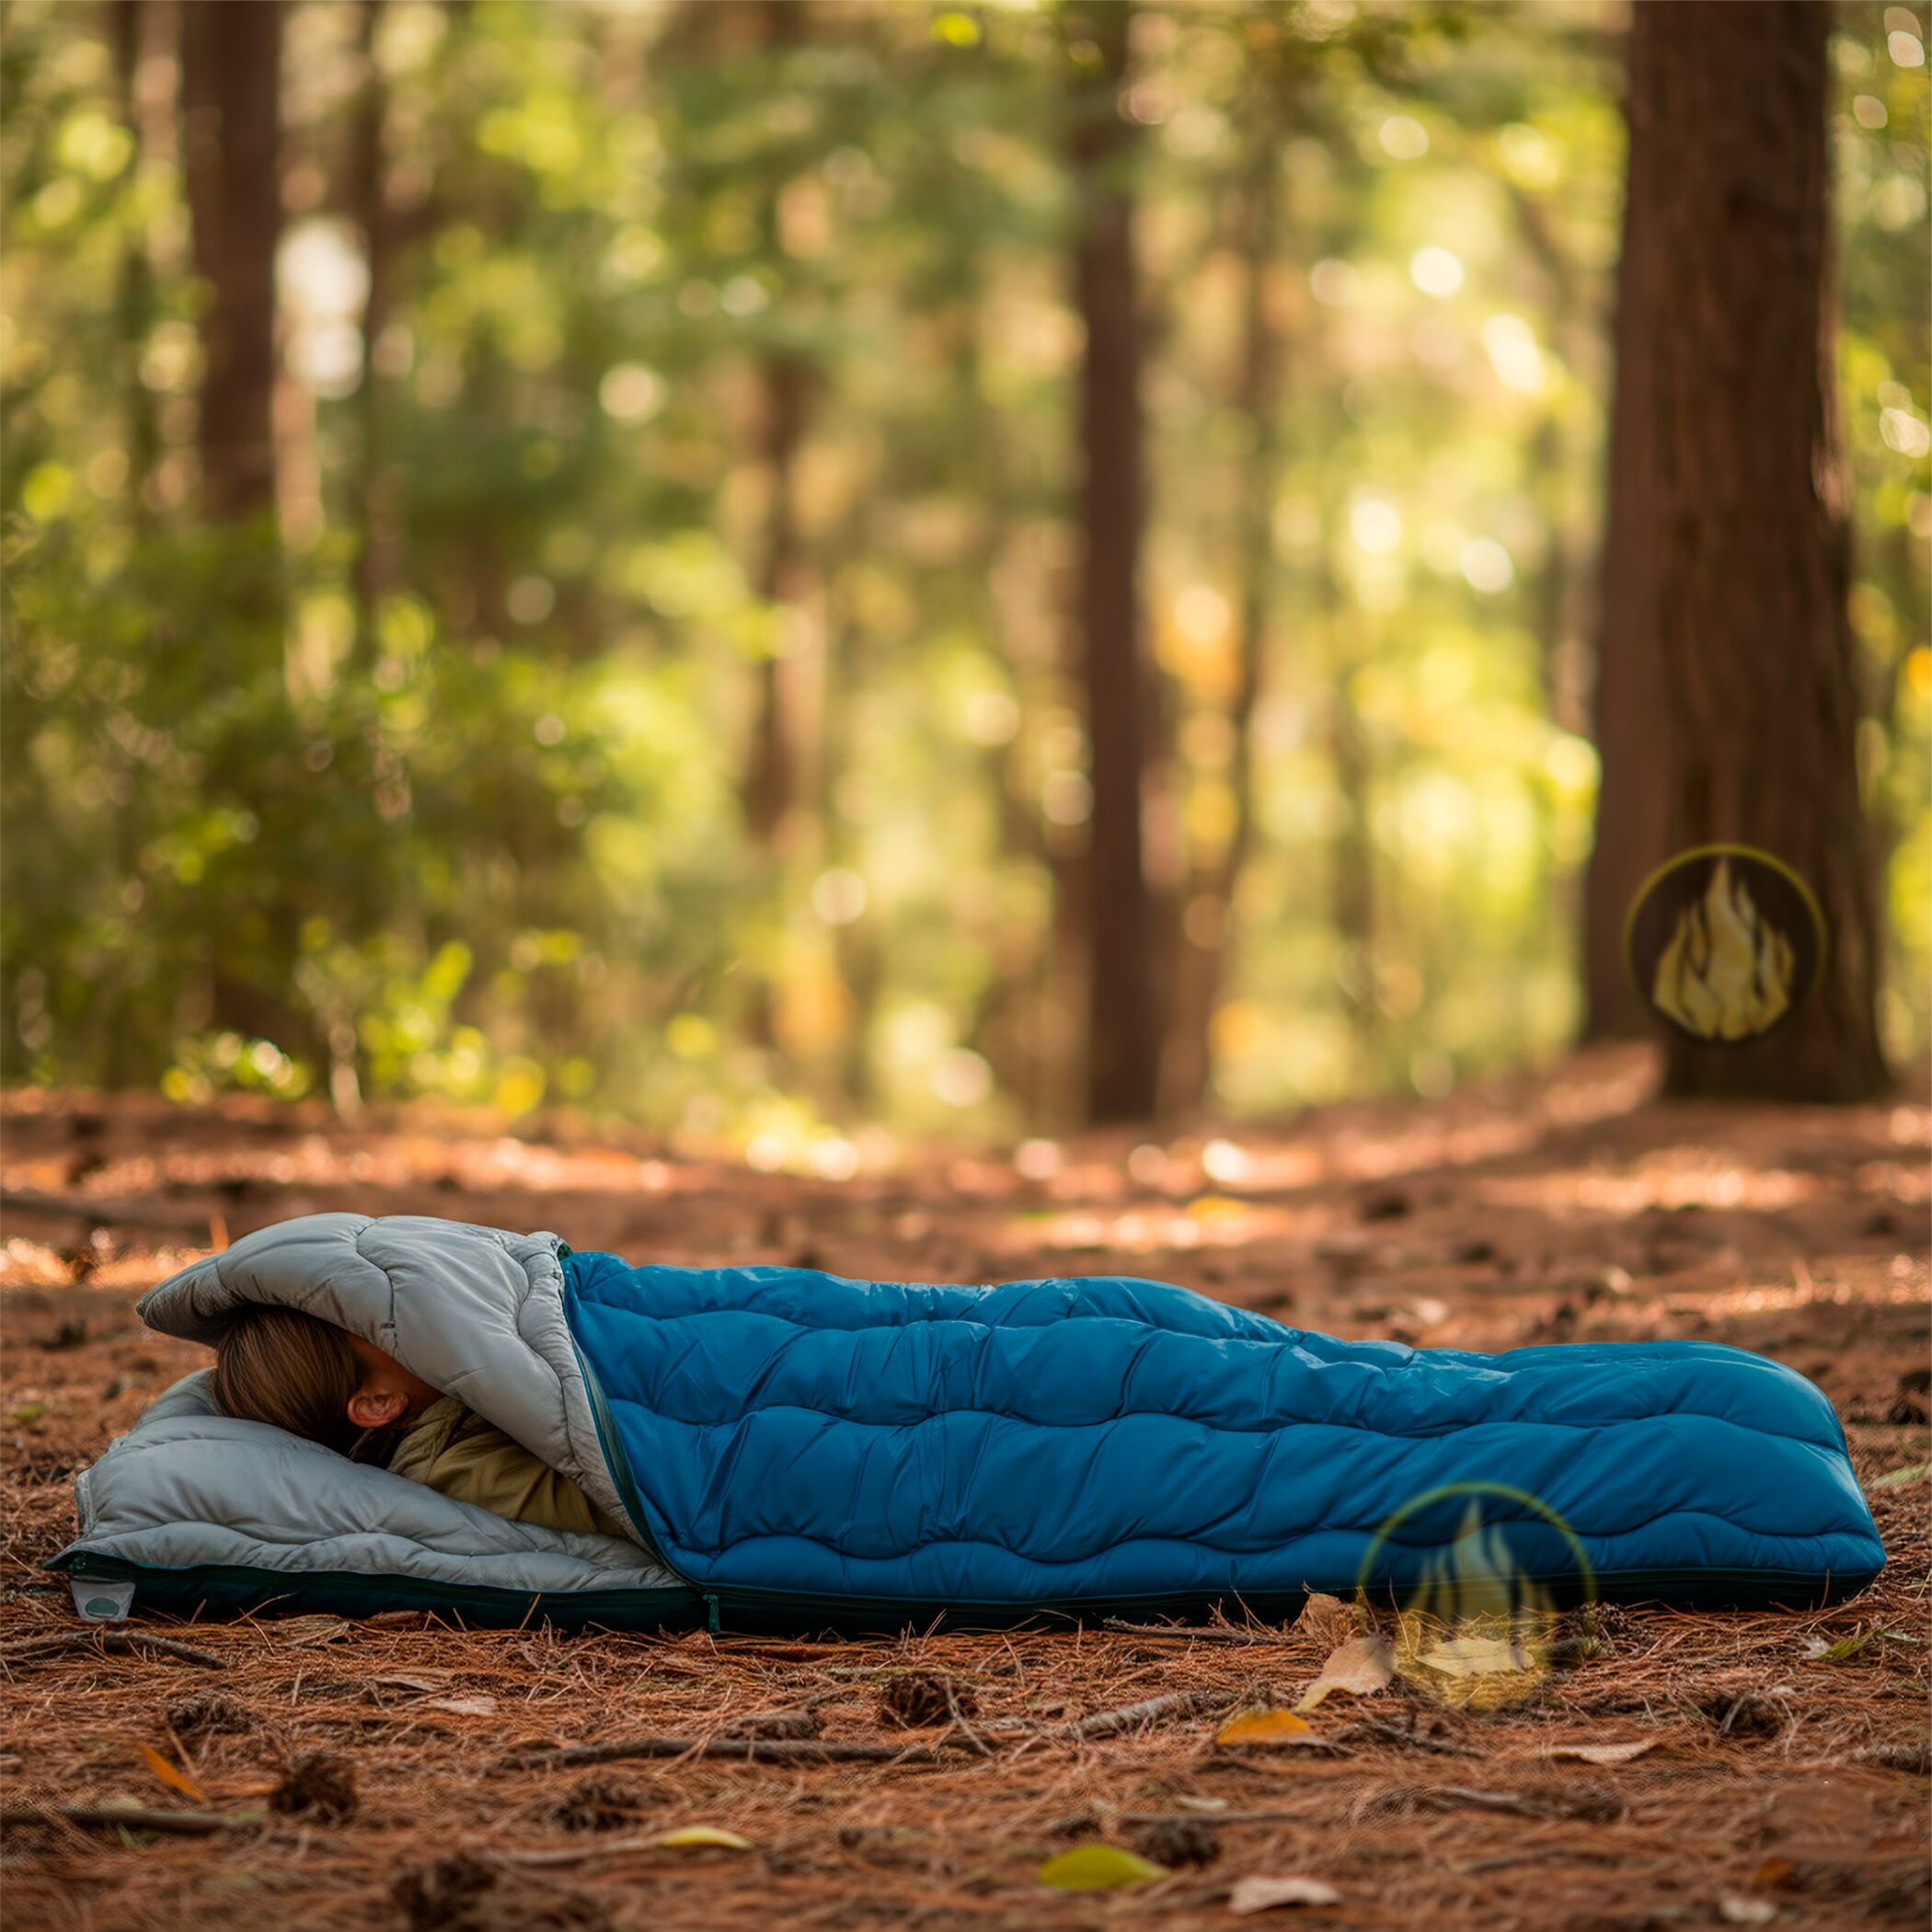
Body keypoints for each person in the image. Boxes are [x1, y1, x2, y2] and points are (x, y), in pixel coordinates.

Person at [208, 1305, 633, 1541]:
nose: (399, 1319)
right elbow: (628, 1493)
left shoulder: (456, 1388)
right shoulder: (456, 1467)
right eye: (370, 1326)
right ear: (379, 1404)